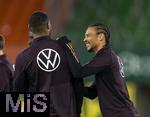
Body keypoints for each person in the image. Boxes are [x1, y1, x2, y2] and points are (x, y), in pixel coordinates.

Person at [58, 23, 140, 117]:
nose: (85, 39)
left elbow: (79, 72)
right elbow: (91, 93)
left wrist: (68, 46)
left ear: (101, 36)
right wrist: (73, 86)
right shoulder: (107, 56)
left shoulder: (106, 56)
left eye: (88, 35)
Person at [13, 11, 79, 117]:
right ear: (48, 25)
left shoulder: (23, 57)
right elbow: (78, 78)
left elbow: (17, 90)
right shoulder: (65, 47)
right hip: (67, 112)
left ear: (29, 28)